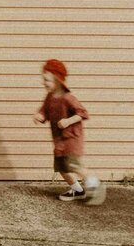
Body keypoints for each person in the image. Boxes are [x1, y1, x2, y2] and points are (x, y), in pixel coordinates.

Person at [33, 59, 104, 205]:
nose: (44, 83)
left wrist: (68, 121)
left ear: (58, 80)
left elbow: (83, 113)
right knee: (62, 168)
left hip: (71, 138)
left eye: (47, 80)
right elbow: (45, 111)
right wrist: (40, 116)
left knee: (75, 166)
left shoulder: (68, 98)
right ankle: (77, 190)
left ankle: (96, 187)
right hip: (59, 140)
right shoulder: (50, 97)